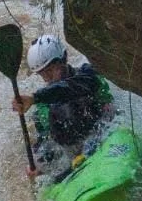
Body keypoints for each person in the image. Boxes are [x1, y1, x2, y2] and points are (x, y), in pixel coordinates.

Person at [9, 35, 115, 179]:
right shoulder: (42, 110)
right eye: (42, 74)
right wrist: (38, 167)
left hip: (107, 134)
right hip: (78, 157)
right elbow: (46, 146)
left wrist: (35, 98)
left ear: (64, 58)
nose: (48, 78)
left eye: (50, 70)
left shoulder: (87, 74)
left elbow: (67, 89)